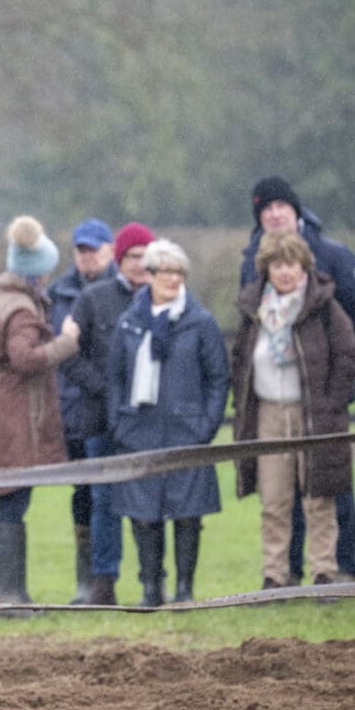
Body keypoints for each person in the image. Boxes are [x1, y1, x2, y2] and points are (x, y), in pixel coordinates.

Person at [240, 176, 355, 584]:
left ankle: (336, 569)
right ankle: (280, 573)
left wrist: (331, 389)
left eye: (281, 205)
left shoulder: (332, 256)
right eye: (266, 208)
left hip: (318, 405)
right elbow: (241, 356)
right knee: (277, 498)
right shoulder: (252, 281)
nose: (274, 213)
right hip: (270, 409)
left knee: (326, 493)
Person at [108, 238, 229, 606]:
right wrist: (119, 424)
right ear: (151, 275)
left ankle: (185, 589)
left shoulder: (200, 322)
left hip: (186, 431)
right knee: (143, 515)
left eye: (179, 272)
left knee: (188, 514)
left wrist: (205, 426)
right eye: (166, 272)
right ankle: (150, 587)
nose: (173, 279)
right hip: (138, 431)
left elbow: (218, 378)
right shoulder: (129, 323)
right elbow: (115, 377)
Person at [0, 216, 80, 609]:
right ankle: (11, 596)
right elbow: (25, 358)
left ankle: (11, 594)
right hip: (16, 418)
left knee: (9, 501)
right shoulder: (21, 309)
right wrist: (66, 343)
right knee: (13, 502)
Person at [63, 221, 155, 605]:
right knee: (103, 500)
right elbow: (70, 355)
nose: (138, 264)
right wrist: (104, 387)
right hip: (99, 417)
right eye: (131, 256)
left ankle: (152, 579)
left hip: (147, 419)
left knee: (148, 497)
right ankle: (104, 581)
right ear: (119, 258)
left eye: (144, 257)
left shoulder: (162, 298)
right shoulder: (93, 298)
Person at [47, 217, 117, 604]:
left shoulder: (125, 288)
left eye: (94, 249)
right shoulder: (59, 292)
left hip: (112, 407)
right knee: (83, 493)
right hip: (72, 407)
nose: (87, 257)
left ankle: (112, 578)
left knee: (113, 494)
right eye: (81, 250)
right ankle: (86, 579)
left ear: (110, 250)